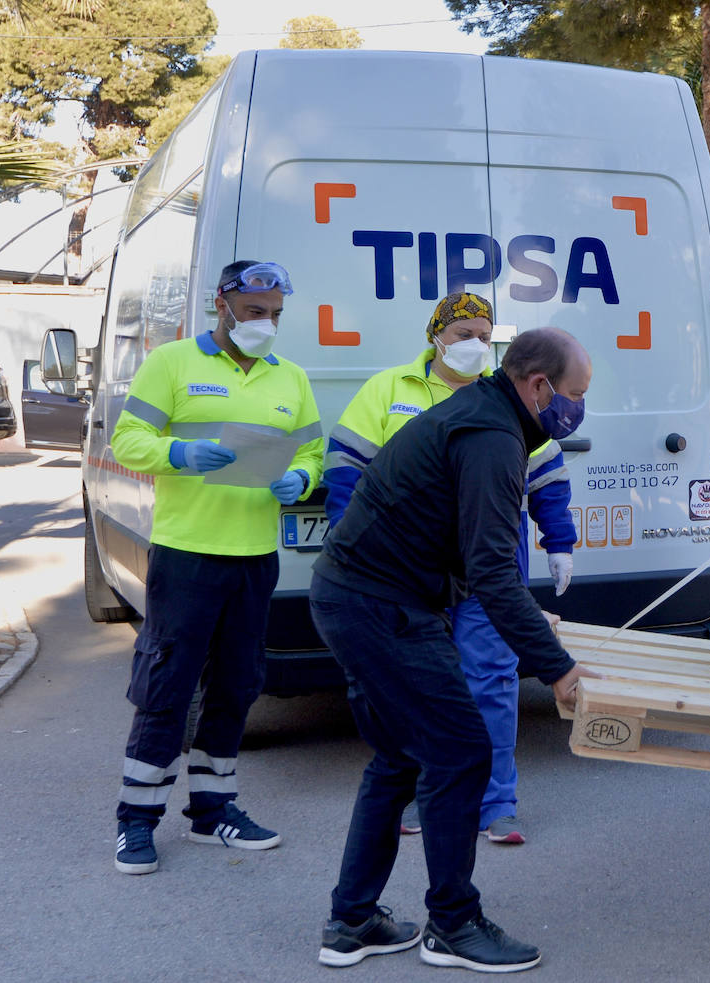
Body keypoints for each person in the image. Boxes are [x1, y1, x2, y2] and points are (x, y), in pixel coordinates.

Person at [310, 327, 596, 972]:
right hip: (380, 607)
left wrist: (534, 623)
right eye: (576, 394)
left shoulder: (488, 417)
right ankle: (454, 925)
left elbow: (465, 550)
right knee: (463, 750)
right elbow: (493, 570)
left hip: (361, 597)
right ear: (538, 386)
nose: (579, 408)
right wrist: (557, 670)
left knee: (397, 760)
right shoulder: (493, 438)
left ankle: (352, 920)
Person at [322, 291, 576, 845]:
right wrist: (352, 540)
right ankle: (426, 791)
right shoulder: (391, 390)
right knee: (426, 686)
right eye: (465, 334)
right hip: (414, 573)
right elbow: (347, 465)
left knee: (493, 679)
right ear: (436, 335)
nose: (477, 345)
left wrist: (560, 540)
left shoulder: (508, 401)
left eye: (486, 336)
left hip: (490, 568)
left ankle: (497, 802)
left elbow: (549, 476)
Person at [110, 260, 324, 875]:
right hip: (188, 553)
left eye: (276, 314)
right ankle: (135, 820)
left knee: (237, 686)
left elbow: (311, 448)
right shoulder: (173, 363)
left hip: (256, 557)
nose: (267, 323)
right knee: (168, 685)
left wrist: (302, 477)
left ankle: (213, 810)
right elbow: (128, 441)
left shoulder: (292, 378)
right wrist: (179, 451)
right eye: (256, 311)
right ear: (223, 306)